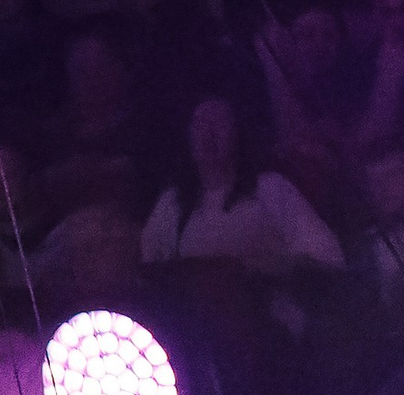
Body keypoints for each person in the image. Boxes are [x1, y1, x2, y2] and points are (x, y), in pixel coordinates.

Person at [140, 95, 343, 277]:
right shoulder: (173, 202)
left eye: (219, 123)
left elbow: (327, 257)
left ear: (238, 132)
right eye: (200, 124)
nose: (209, 134)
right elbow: (150, 268)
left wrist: (267, 268)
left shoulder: (272, 188)